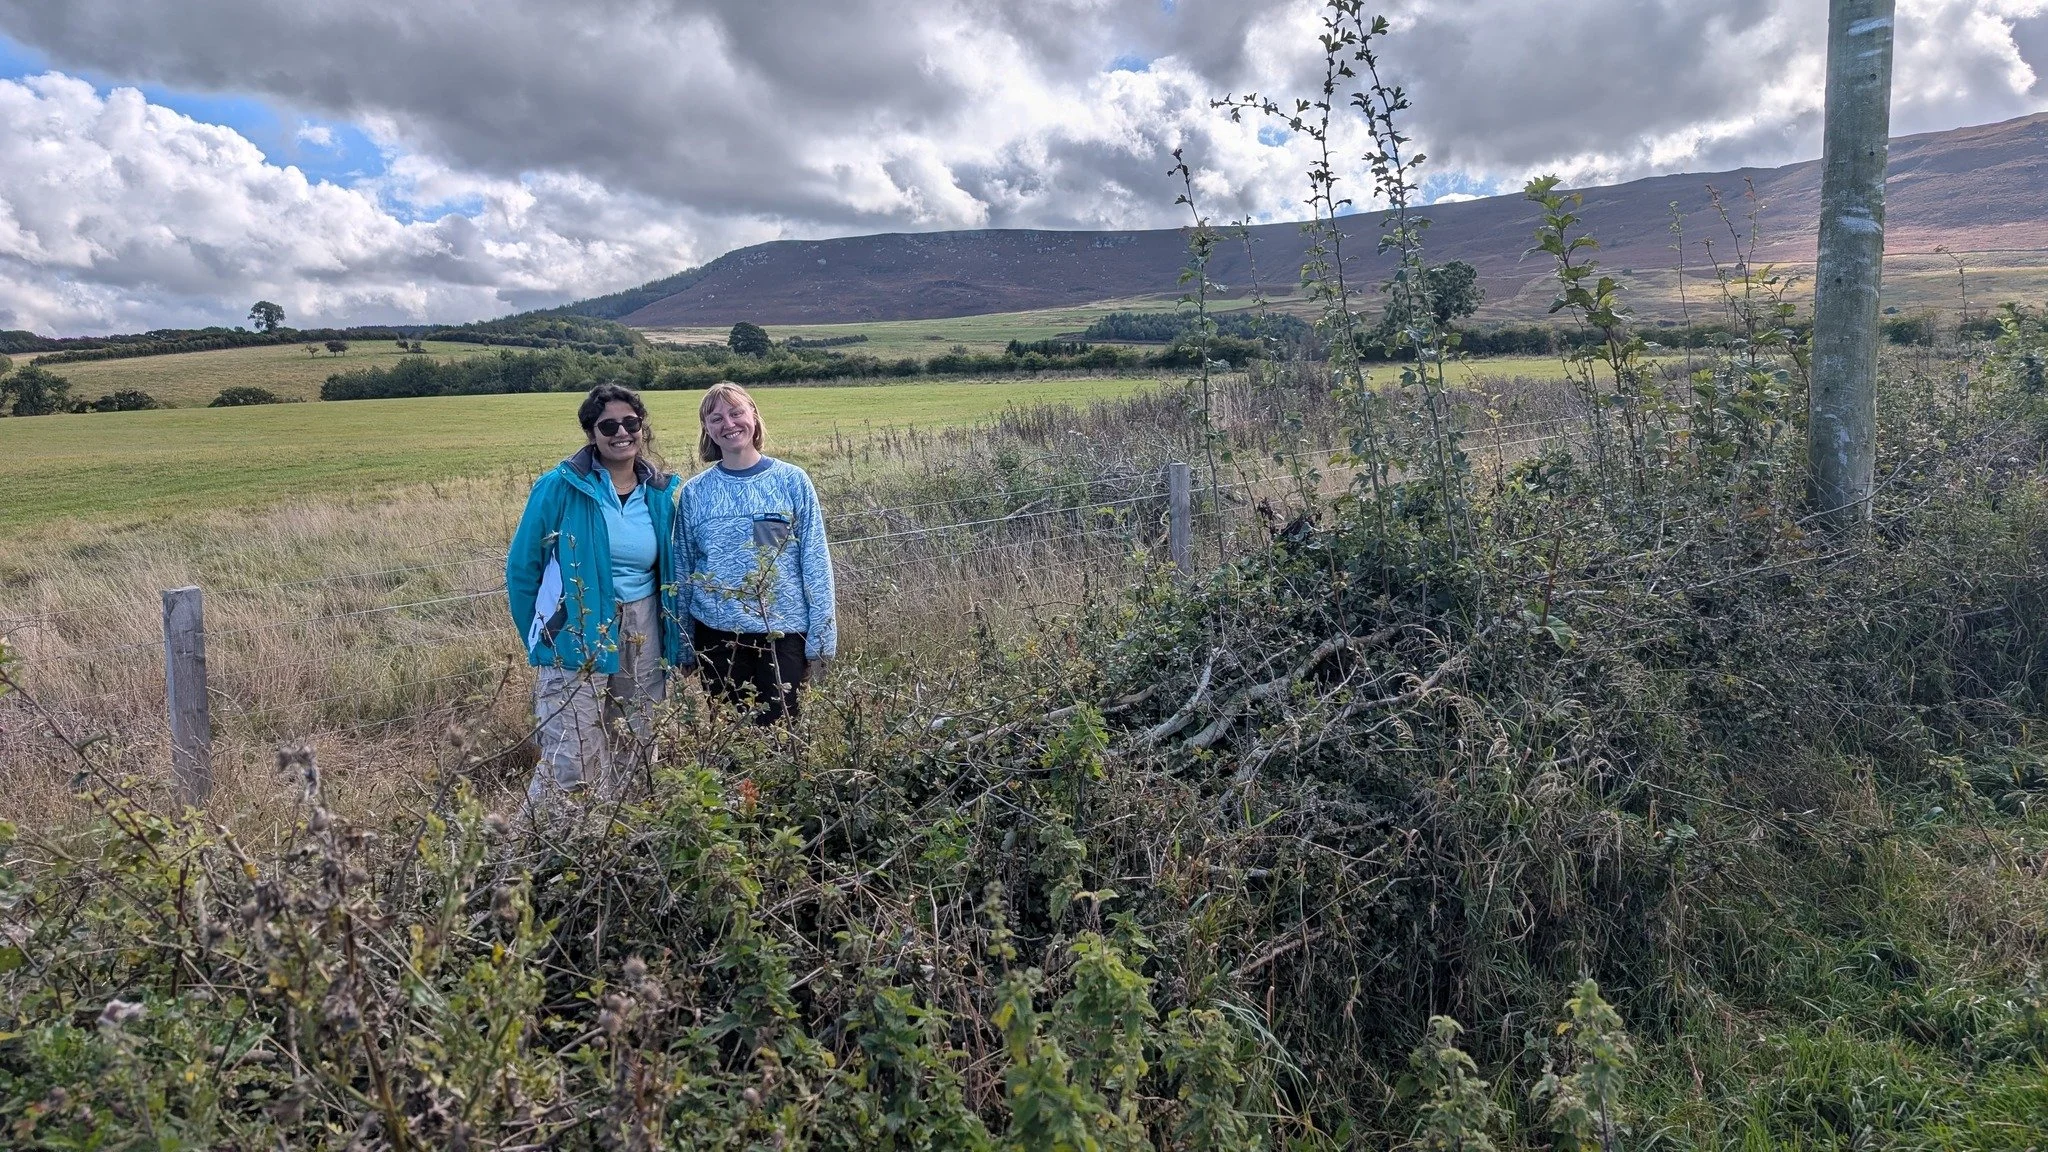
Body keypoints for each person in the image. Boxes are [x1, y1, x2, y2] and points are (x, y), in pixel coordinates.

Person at [505, 383, 685, 803]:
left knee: (636, 746)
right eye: (608, 425)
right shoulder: (560, 486)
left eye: (631, 423)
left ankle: (625, 849)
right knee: (574, 755)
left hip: (644, 627)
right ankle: (540, 855)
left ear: (642, 428)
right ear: (592, 433)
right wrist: (542, 635)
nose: (621, 432)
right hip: (576, 628)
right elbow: (522, 568)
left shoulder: (659, 494)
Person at [675, 381, 837, 723]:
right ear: (706, 429)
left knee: (779, 731)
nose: (729, 424)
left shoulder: (792, 481)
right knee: (731, 737)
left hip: (782, 634)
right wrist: (683, 641)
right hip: (717, 638)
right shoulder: (694, 493)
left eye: (736, 413)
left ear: (754, 416)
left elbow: (815, 561)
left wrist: (821, 640)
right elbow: (683, 569)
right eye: (716, 418)